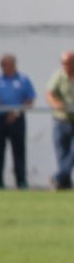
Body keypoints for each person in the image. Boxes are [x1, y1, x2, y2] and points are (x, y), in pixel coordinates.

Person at [0, 53, 34, 190]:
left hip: (16, 118)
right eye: (2, 65)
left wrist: (16, 112)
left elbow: (29, 100)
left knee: (18, 151)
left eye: (6, 65)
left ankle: (21, 181)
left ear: (13, 65)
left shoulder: (23, 80)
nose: (4, 67)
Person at [45, 51, 74, 190]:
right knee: (62, 153)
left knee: (73, 153)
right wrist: (57, 104)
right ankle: (64, 183)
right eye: (63, 63)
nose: (65, 66)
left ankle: (58, 177)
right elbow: (49, 94)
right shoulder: (59, 76)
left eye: (68, 63)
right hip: (61, 120)